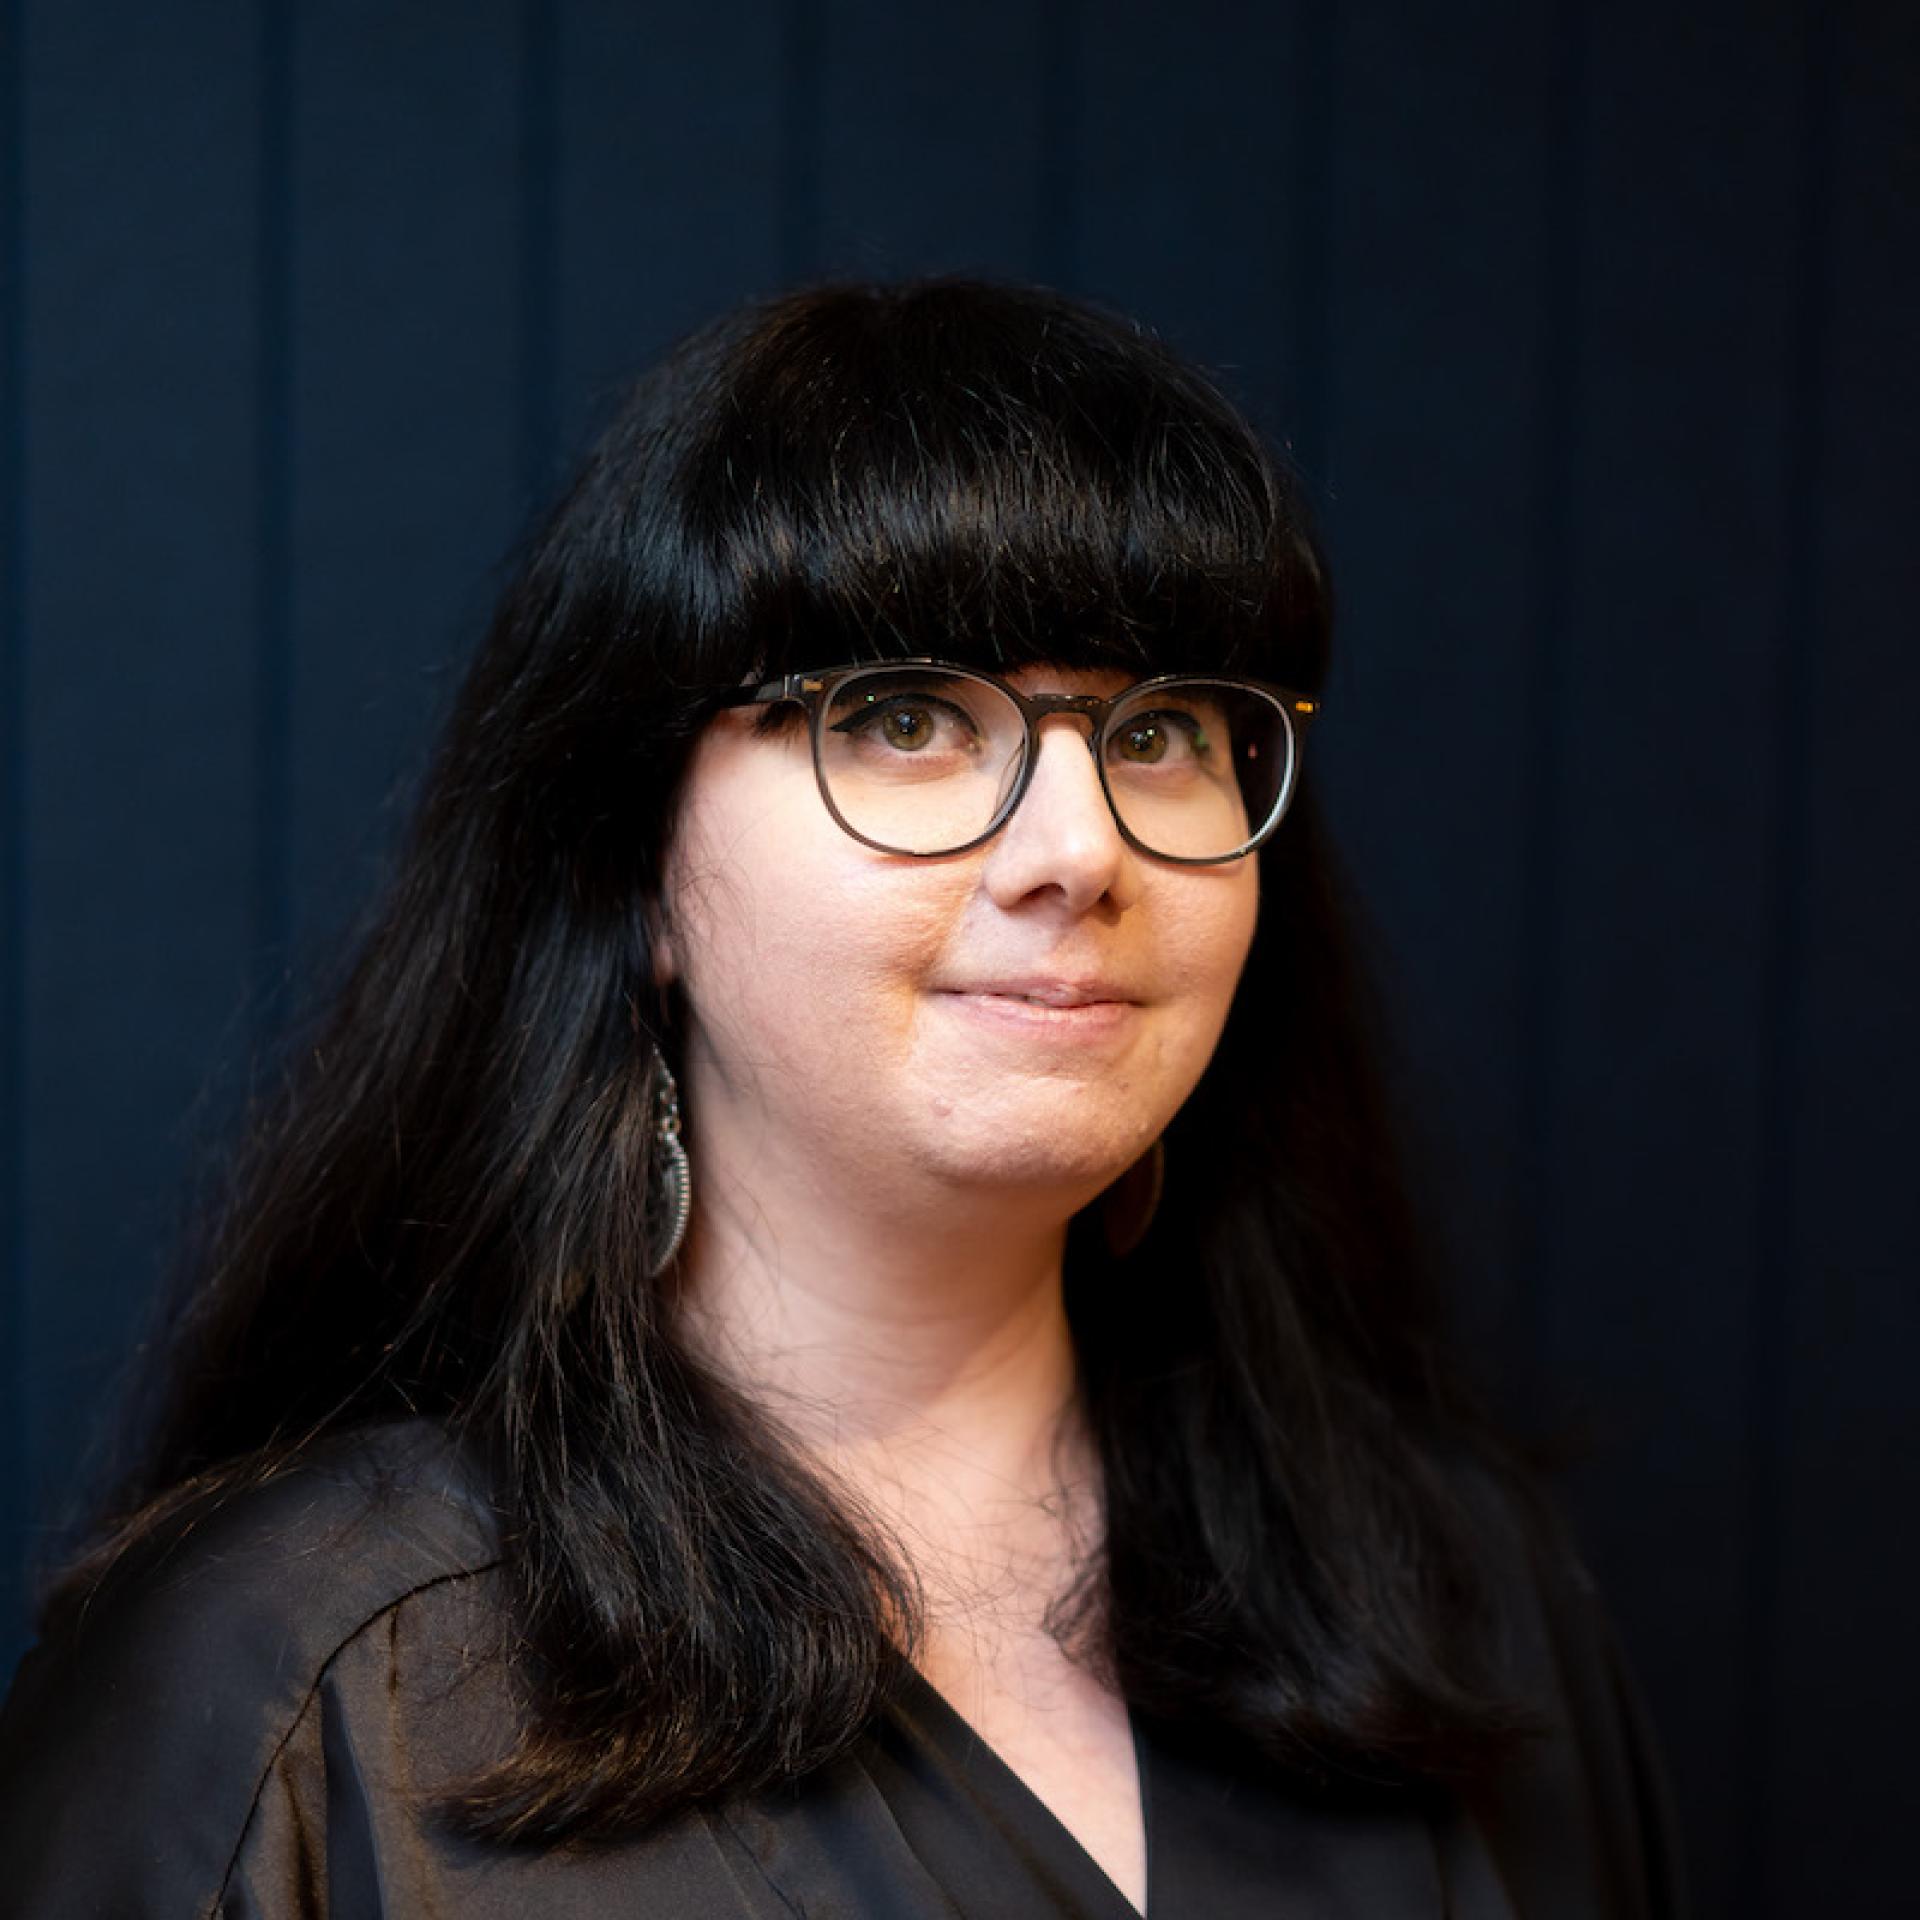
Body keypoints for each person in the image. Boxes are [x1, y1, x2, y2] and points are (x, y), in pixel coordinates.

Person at [0, 274, 1687, 1918]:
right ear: (636, 870)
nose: (1079, 852)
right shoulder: (295, 1679)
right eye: (902, 718)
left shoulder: (1470, 1604)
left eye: (1164, 729)